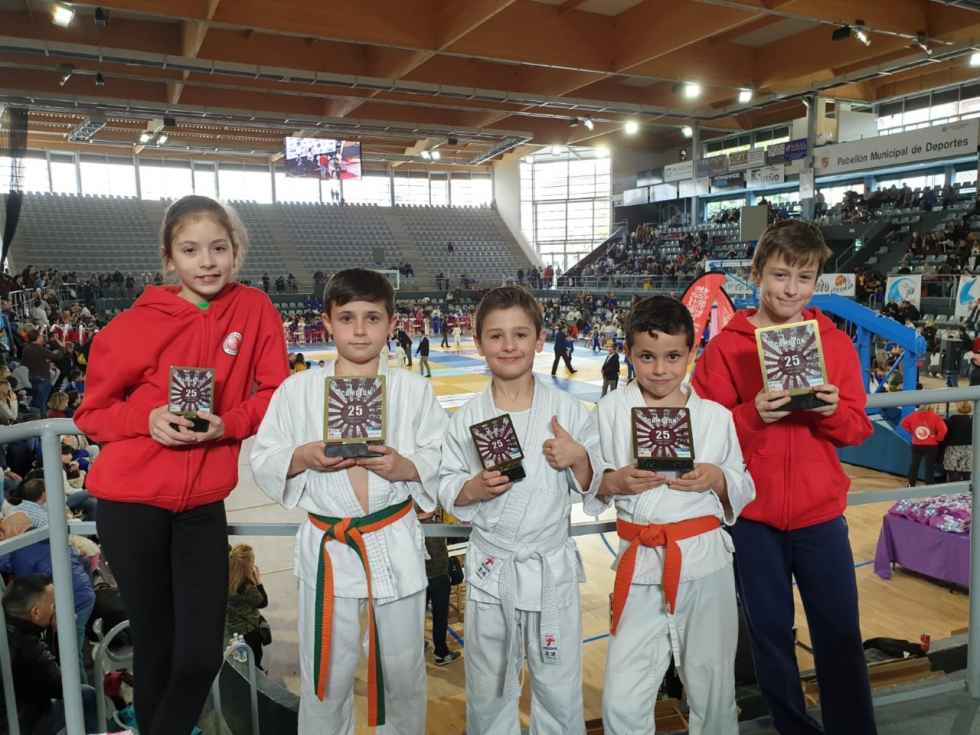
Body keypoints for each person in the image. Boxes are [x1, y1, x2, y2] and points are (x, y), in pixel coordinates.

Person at [73, 194, 290, 735]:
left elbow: (276, 391)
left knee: (199, 655)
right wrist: (146, 419)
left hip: (201, 506)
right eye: (191, 250)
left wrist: (231, 422)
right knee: (156, 650)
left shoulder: (254, 309)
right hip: (131, 503)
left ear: (236, 251)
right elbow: (92, 413)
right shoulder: (131, 325)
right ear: (170, 259)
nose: (207, 261)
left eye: (218, 247)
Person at [692, 219, 877, 735]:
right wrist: (753, 415)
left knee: (840, 634)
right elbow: (706, 439)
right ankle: (793, 728)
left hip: (821, 518)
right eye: (779, 275)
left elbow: (857, 429)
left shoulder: (834, 344)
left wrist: (831, 412)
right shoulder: (725, 348)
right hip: (753, 520)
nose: (790, 289)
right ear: (757, 274)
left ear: (817, 281)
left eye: (804, 277)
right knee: (770, 636)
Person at [250, 268, 448, 734]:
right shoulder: (296, 391)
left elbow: (443, 454)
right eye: (347, 317)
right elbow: (265, 456)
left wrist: (406, 467)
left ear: (392, 323)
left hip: (392, 540)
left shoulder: (414, 391)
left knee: (402, 672)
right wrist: (301, 457)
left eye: (372, 318)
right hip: (328, 547)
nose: (360, 330)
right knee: (325, 677)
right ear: (327, 322)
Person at [439, 286, 602, 735]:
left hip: (550, 567)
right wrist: (470, 488)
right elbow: (446, 484)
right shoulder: (465, 417)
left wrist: (580, 459)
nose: (508, 345)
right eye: (496, 336)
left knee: (559, 685)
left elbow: (597, 487)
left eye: (520, 334)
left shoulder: (568, 411)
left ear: (540, 339)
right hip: (495, 569)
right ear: (478, 343)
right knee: (489, 687)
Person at [589, 295, 755, 734]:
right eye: (647, 357)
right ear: (629, 354)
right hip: (640, 559)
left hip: (703, 561)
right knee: (623, 696)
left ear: (692, 354)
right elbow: (592, 487)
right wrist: (614, 481)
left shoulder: (716, 418)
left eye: (672, 357)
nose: (660, 369)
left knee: (713, 685)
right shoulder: (608, 411)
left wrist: (716, 477)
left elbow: (743, 485)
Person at [0, 477, 96, 685]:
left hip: (75, 598)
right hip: (80, 592)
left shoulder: (19, 552)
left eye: (2, 532)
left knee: (69, 651)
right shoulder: (38, 534)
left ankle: (79, 694)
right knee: (68, 646)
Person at [2, 574, 101, 734]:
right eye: (54, 605)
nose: (57, 609)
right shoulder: (29, 647)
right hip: (20, 723)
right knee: (86, 696)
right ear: (36, 612)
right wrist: (60, 634)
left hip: (13, 710)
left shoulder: (7, 628)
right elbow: (64, 687)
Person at [419, 508, 461, 666]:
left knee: (435, 616)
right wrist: (427, 514)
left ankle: (438, 651)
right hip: (428, 576)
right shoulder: (413, 522)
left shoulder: (433, 520)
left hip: (435, 574)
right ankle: (441, 653)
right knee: (437, 616)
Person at [226, 544, 269, 669]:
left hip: (231, 629)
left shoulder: (224, 577)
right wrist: (258, 582)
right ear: (248, 566)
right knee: (254, 661)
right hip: (249, 631)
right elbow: (263, 602)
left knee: (239, 662)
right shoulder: (247, 587)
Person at [901, 404, 948, 487]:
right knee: (929, 466)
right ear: (931, 407)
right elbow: (943, 430)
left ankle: (910, 484)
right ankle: (929, 485)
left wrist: (913, 432)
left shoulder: (913, 415)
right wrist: (938, 439)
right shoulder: (935, 417)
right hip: (931, 446)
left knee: (914, 465)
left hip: (916, 444)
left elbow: (903, 423)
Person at [21, 327, 61, 417]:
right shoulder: (39, 349)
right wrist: (61, 346)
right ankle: (43, 423)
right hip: (42, 379)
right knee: (42, 404)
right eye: (40, 336)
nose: (42, 337)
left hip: (30, 379)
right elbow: (57, 356)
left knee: (35, 403)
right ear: (37, 338)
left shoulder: (26, 348)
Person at [942, 401, 974, 482]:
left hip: (953, 450)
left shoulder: (950, 420)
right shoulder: (974, 420)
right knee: (967, 476)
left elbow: (944, 436)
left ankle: (954, 494)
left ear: (957, 408)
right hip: (969, 450)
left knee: (953, 475)